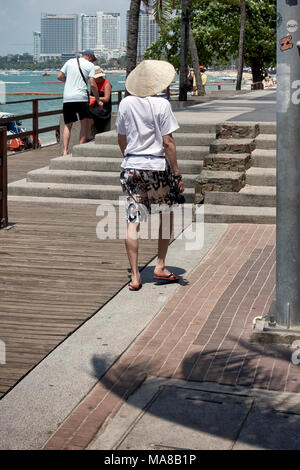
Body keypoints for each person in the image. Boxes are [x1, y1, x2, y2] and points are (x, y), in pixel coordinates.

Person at [116, 60, 184, 291]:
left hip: (132, 166)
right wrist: (176, 173)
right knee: (166, 214)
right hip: (156, 167)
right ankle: (161, 265)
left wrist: (131, 158)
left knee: (132, 222)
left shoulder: (125, 103)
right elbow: (168, 142)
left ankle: (135, 276)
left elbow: (121, 139)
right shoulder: (162, 105)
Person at [57, 50, 101, 155]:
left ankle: (65, 150)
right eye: (93, 59)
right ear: (90, 57)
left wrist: (68, 81)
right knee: (84, 123)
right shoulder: (90, 65)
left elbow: (59, 76)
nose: (93, 61)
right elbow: (92, 84)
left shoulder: (70, 61)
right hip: (81, 97)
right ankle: (80, 148)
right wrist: (98, 99)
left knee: (68, 125)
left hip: (68, 98)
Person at [88, 66, 112, 137]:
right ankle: (88, 134)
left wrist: (95, 98)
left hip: (104, 108)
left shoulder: (106, 83)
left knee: (91, 114)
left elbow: (106, 99)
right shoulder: (93, 84)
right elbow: (90, 95)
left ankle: (89, 134)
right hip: (94, 106)